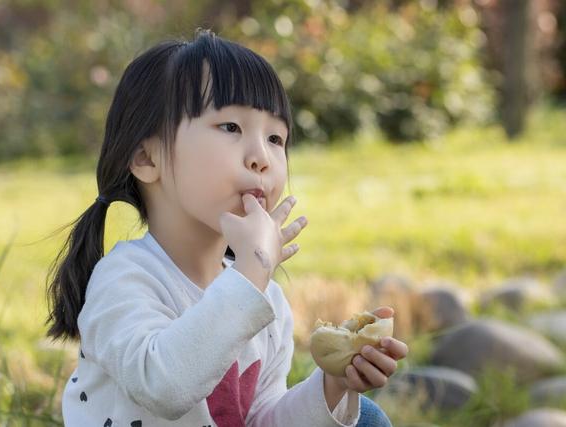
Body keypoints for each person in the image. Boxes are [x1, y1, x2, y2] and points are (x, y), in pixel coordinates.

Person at [45, 28, 408, 427]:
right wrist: (251, 273)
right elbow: (164, 387)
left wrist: (334, 384)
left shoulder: (264, 297)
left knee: (363, 417)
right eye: (231, 127)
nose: (261, 158)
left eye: (275, 137)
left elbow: (260, 421)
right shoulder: (125, 279)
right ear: (147, 158)